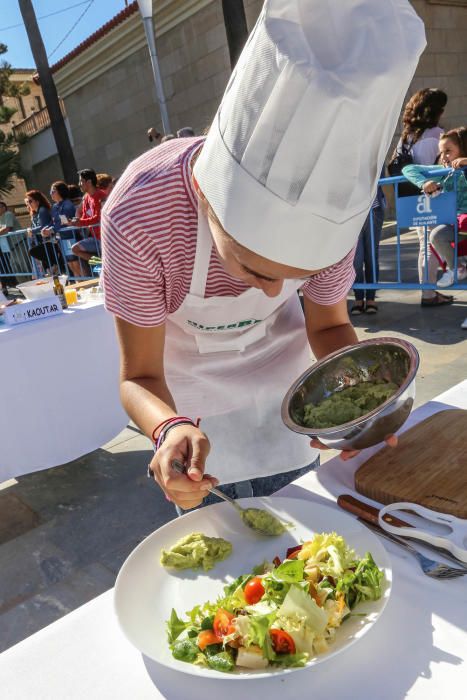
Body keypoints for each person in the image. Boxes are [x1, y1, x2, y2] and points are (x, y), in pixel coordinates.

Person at [102, 0, 424, 512]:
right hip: (189, 403)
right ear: (209, 196)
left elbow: (325, 328)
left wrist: (364, 406)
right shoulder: (142, 214)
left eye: (297, 277)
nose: (274, 295)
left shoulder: (338, 213)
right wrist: (167, 427)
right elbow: (138, 375)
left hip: (289, 395)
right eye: (254, 268)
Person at [394, 88, 451, 307]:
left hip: (413, 198)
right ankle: (430, 294)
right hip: (434, 195)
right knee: (433, 245)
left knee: (424, 245)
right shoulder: (436, 135)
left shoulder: (407, 136)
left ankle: (428, 293)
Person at [403, 127, 467, 293]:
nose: (444, 157)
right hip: (459, 224)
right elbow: (408, 169)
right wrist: (423, 183)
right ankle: (456, 268)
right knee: (436, 235)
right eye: (441, 152)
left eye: (448, 151)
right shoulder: (444, 171)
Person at [351, 177, 386, 315]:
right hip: (352, 214)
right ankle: (358, 298)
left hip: (373, 210)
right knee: (356, 260)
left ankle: (371, 298)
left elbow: (380, 173)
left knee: (371, 257)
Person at [70, 169, 105, 263]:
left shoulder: (100, 195)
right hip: (95, 238)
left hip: (105, 237)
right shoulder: (85, 197)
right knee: (75, 249)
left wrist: (80, 222)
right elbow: (85, 217)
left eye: (81, 181)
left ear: (89, 182)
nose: (79, 184)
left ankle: (105, 265)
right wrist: (74, 221)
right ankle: (101, 263)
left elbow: (99, 217)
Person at [26, 190, 63, 274]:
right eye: (27, 201)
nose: (28, 203)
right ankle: (54, 268)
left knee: (33, 251)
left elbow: (44, 225)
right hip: (44, 240)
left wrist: (32, 230)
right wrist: (30, 229)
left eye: (30, 201)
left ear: (37, 201)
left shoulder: (42, 210)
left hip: (51, 240)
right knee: (46, 263)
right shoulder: (35, 213)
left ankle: (55, 265)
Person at [0, 201, 21, 294]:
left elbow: (7, 229)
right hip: (7, 246)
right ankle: (7, 286)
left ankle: (23, 284)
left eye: (1, 206)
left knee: (20, 265)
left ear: (4, 207)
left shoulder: (8, 214)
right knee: (9, 266)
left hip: (18, 243)